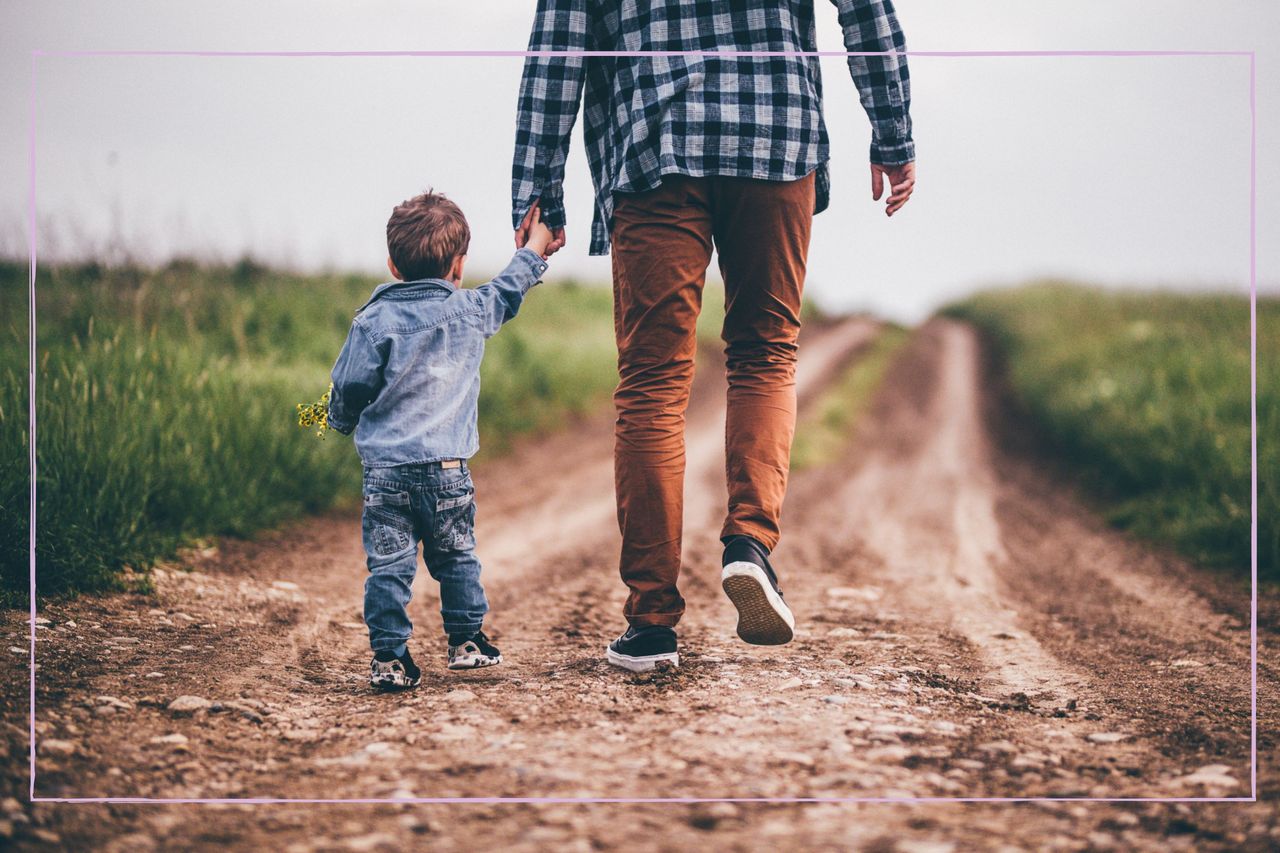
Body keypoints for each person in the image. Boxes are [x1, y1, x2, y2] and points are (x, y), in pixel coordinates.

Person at [511, 0, 916, 672]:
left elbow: (560, 43)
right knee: (765, 353)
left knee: (652, 384)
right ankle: (749, 545)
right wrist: (893, 133)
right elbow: (865, 10)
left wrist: (537, 187)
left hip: (656, 141)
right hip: (776, 131)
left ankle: (650, 620)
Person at [327, 190, 554, 688]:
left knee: (389, 566)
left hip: (386, 476)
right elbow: (510, 288)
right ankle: (466, 642)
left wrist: (333, 420)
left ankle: (390, 659)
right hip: (448, 472)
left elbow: (348, 389)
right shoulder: (470, 310)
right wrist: (536, 246)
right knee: (456, 557)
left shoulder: (371, 322)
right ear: (458, 265)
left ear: (392, 264)